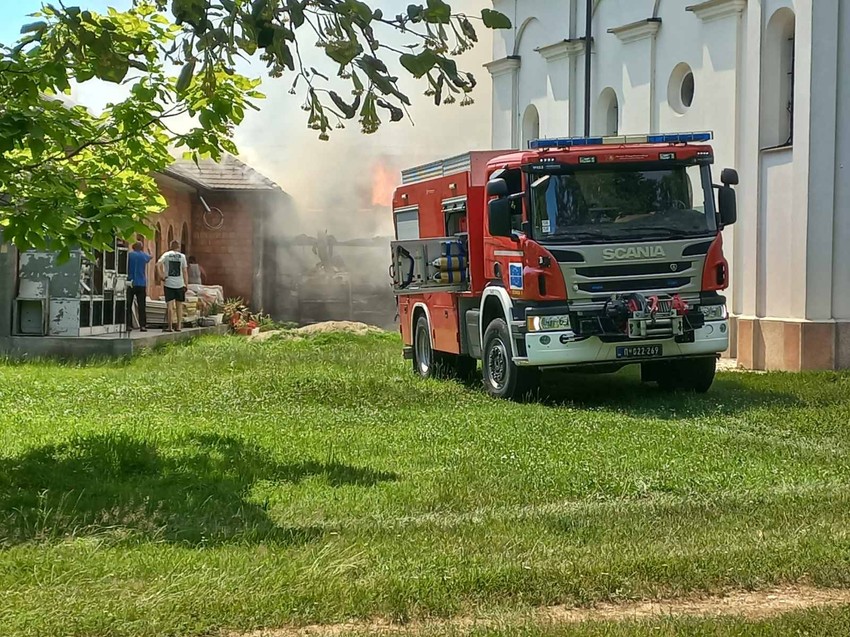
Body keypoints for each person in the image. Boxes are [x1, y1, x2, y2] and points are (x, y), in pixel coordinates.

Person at [157, 240, 188, 332]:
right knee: (179, 306)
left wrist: (161, 275)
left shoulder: (166, 255)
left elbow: (157, 264)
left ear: (170, 246)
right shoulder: (182, 256)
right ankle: (178, 326)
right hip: (180, 284)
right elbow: (185, 271)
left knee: (170, 307)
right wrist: (186, 284)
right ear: (178, 247)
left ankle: (170, 327)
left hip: (169, 283)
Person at [126, 241, 151, 332]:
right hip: (141, 283)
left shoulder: (130, 255)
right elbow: (150, 257)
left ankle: (128, 325)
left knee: (128, 305)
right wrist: (149, 251)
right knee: (142, 306)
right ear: (141, 248)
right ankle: (142, 326)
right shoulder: (144, 256)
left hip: (131, 282)